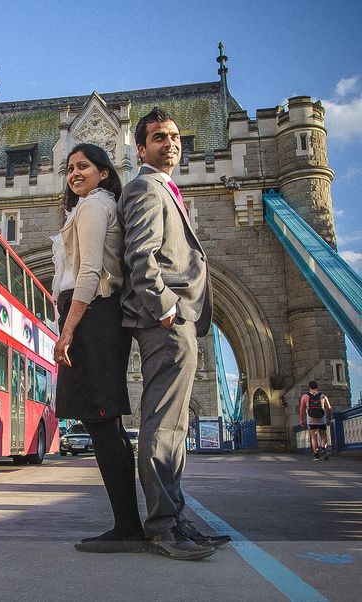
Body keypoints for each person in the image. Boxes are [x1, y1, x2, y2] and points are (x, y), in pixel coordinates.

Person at [119, 108, 229, 560]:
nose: (171, 143)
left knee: (175, 427)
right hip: (166, 321)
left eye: (176, 136)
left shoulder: (166, 189)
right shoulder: (145, 188)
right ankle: (164, 527)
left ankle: (177, 517)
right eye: (159, 137)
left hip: (178, 321)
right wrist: (167, 310)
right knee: (163, 425)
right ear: (141, 148)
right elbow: (140, 258)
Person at [51, 143, 142, 554]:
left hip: (89, 315)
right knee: (106, 424)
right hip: (97, 317)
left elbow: (88, 273)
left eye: (83, 166)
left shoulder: (92, 207)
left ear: (104, 172)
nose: (74, 173)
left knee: (101, 421)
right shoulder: (99, 205)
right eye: (69, 167)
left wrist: (68, 330)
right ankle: (128, 523)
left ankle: (127, 527)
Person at [299, 380, 332, 460]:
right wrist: (329, 418)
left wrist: (301, 419)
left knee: (313, 437)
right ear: (317, 387)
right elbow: (329, 408)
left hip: (311, 419)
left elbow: (302, 409)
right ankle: (323, 449)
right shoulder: (323, 396)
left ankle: (316, 455)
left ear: (309, 387)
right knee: (323, 435)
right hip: (321, 419)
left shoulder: (305, 396)